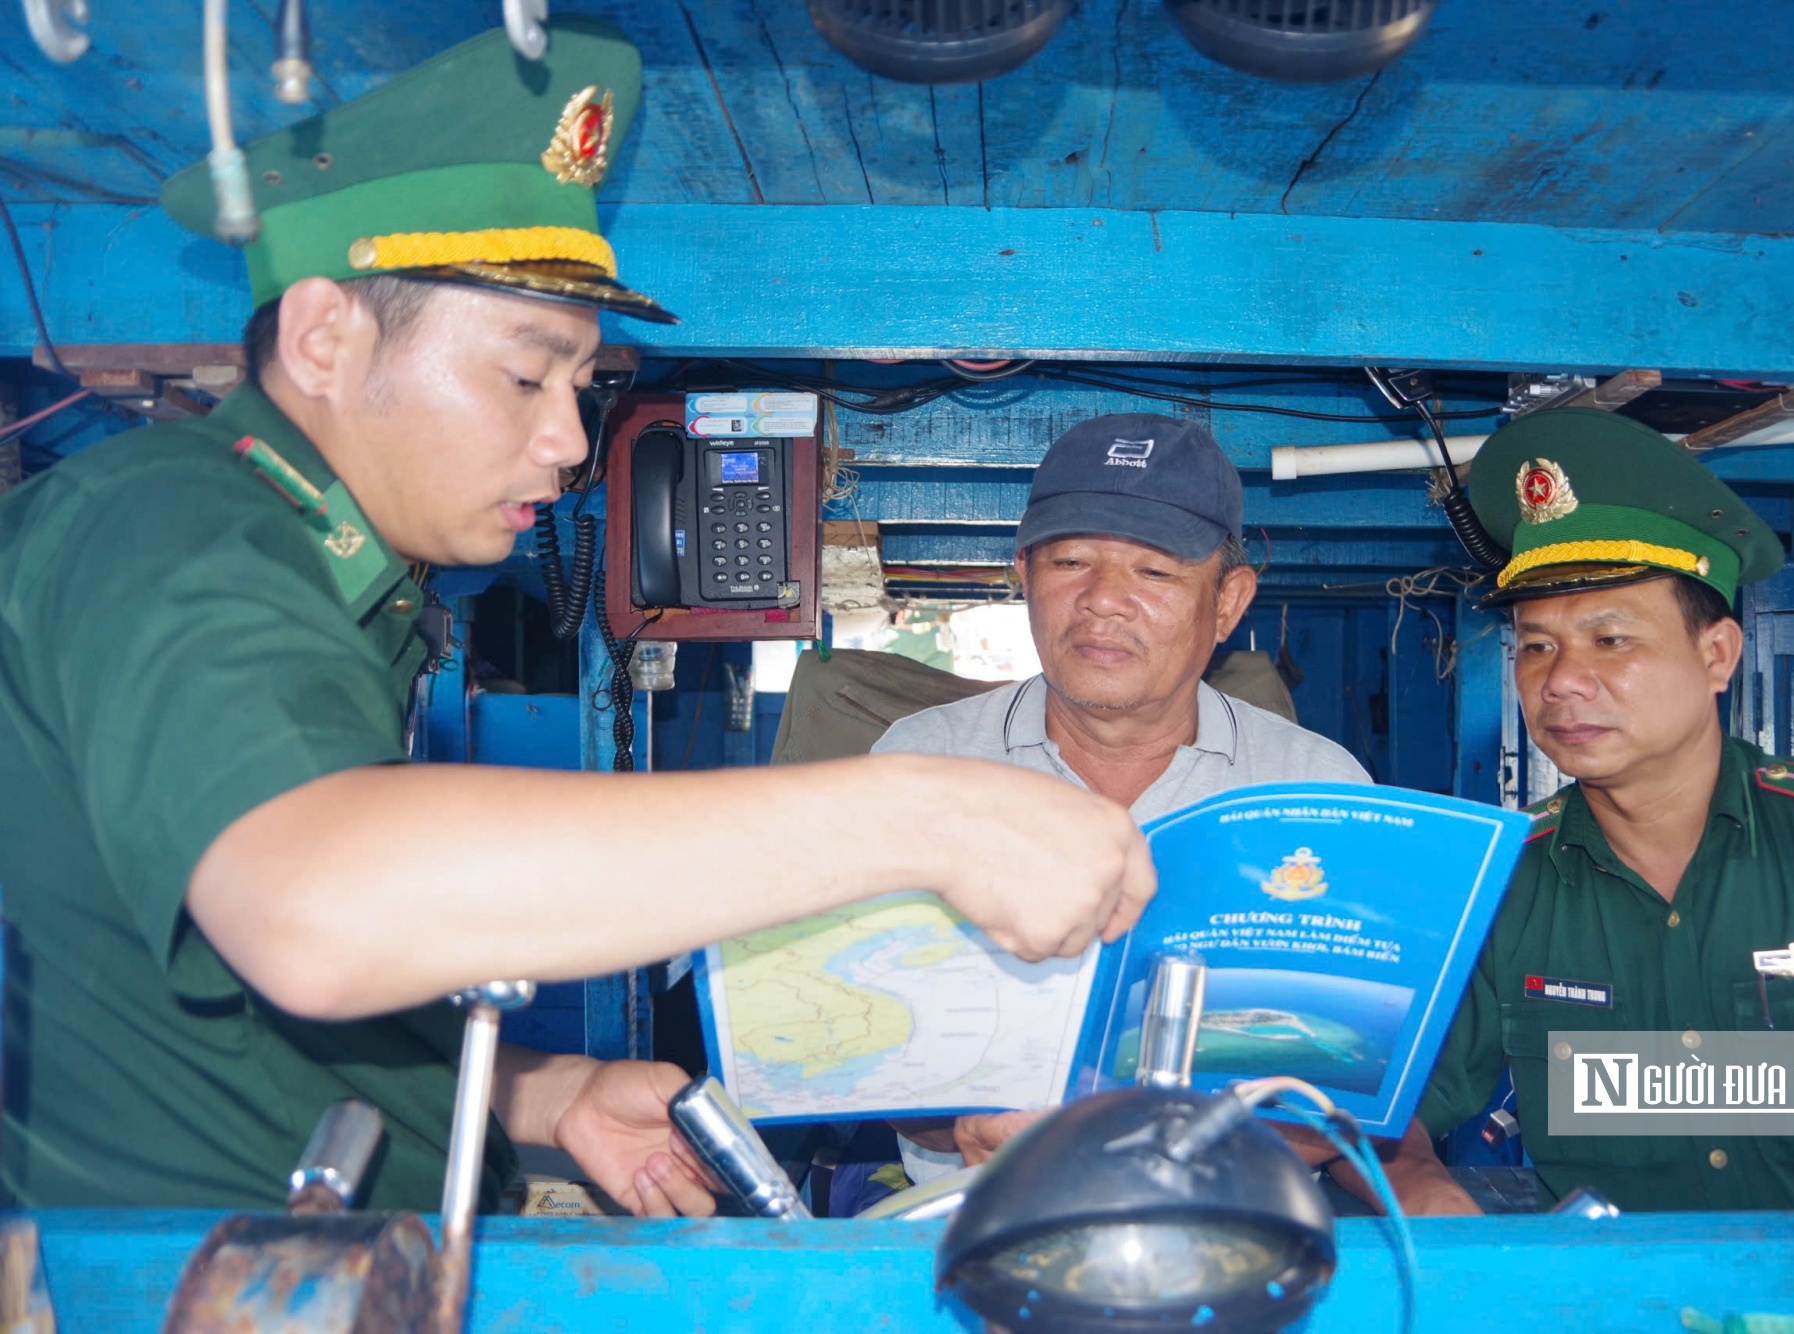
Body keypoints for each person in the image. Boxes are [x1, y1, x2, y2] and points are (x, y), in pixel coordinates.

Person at [0, 21, 1153, 1216]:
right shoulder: (170, 526)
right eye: (521, 375)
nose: (564, 442)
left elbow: (230, 1003)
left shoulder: (346, 584)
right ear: (325, 336)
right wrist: (922, 815)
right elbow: (314, 910)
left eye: (581, 388)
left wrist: (543, 1094)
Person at [1349, 407, 1794, 1215]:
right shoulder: (1500, 885)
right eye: (1537, 645)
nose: (1561, 681)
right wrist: (1416, 1179)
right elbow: (1388, 1104)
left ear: (1717, 654)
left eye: (1611, 640)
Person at [877, 412, 1371, 1181]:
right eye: (1070, 561)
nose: (1102, 600)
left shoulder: (1318, 790)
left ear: (1229, 602)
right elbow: (868, 1044)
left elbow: (1338, 1072)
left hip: (1232, 1218)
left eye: (1154, 571)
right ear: (1024, 576)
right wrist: (960, 1118)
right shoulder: (920, 763)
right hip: (977, 1213)